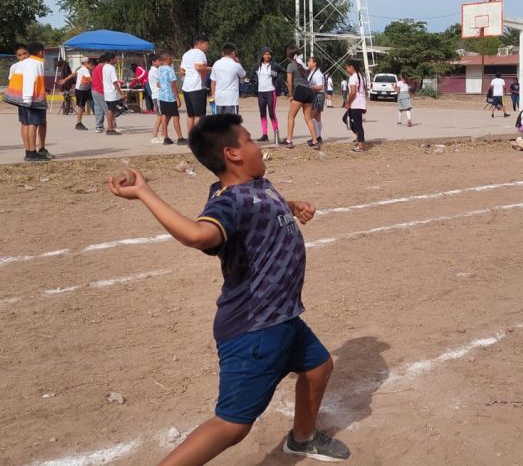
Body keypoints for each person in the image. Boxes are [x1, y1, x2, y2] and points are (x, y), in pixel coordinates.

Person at [107, 113, 350, 465]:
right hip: (255, 328)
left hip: (283, 317)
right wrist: (145, 192)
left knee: (318, 368)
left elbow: (261, 209)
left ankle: (302, 439)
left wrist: (291, 205)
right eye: (250, 140)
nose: (258, 145)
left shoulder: (256, 184)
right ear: (232, 154)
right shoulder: (227, 202)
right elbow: (197, 235)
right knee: (232, 425)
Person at [4, 42, 51, 161]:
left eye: (25, 53)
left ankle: (30, 151)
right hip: (31, 99)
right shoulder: (35, 63)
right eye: (20, 54)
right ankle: (31, 152)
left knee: (26, 124)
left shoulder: (25, 64)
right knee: (32, 124)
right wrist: (28, 99)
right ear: (41, 52)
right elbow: (29, 80)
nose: (23, 56)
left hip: (24, 98)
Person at [282, 46, 317, 149]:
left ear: (289, 56)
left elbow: (289, 83)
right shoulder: (304, 66)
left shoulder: (290, 65)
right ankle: (315, 140)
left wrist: (291, 95)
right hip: (309, 91)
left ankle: (289, 140)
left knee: (291, 116)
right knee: (308, 118)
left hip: (300, 90)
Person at [180, 35, 211, 132]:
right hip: (197, 87)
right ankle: (198, 138)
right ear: (201, 43)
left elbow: (181, 70)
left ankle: (191, 137)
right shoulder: (200, 53)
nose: (207, 47)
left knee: (190, 115)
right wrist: (210, 69)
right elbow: (198, 67)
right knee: (200, 115)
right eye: (207, 44)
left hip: (186, 87)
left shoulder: (186, 54)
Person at [155, 53, 186, 145]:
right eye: (170, 59)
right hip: (170, 96)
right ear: (167, 59)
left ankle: (166, 137)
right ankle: (180, 137)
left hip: (161, 96)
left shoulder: (159, 69)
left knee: (164, 116)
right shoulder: (170, 69)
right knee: (175, 116)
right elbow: (173, 85)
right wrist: (177, 98)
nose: (172, 60)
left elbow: (158, 84)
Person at [254, 47, 282, 142]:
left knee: (271, 114)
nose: (267, 56)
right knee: (262, 114)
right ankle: (264, 135)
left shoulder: (274, 66)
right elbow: (253, 76)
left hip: (271, 91)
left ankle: (276, 135)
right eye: (265, 54)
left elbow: (284, 72)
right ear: (262, 55)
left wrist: (278, 82)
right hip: (260, 92)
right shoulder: (257, 66)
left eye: (269, 54)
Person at [212, 44, 246, 118]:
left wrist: (213, 95)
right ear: (233, 53)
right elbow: (243, 75)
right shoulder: (235, 65)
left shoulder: (216, 64)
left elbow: (213, 81)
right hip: (231, 99)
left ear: (222, 53)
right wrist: (238, 62)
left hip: (219, 98)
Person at [344, 59, 367, 152]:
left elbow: (353, 92)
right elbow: (364, 91)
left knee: (358, 125)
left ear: (351, 67)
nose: (346, 69)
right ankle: (358, 137)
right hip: (360, 102)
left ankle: (361, 146)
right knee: (345, 118)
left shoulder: (353, 77)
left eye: (347, 67)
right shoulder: (362, 77)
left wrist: (348, 103)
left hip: (356, 103)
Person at [102, 54, 124, 135]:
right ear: (111, 59)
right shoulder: (111, 68)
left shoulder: (105, 67)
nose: (116, 60)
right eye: (115, 58)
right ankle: (110, 128)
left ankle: (109, 127)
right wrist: (120, 92)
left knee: (110, 110)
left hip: (107, 92)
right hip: (112, 92)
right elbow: (114, 81)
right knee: (111, 110)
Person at [307, 57, 327, 143]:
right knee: (317, 117)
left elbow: (320, 86)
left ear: (314, 63)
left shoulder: (317, 74)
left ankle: (317, 137)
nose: (307, 63)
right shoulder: (313, 72)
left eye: (309, 61)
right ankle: (318, 136)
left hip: (317, 95)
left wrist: (309, 88)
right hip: (318, 95)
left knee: (311, 117)